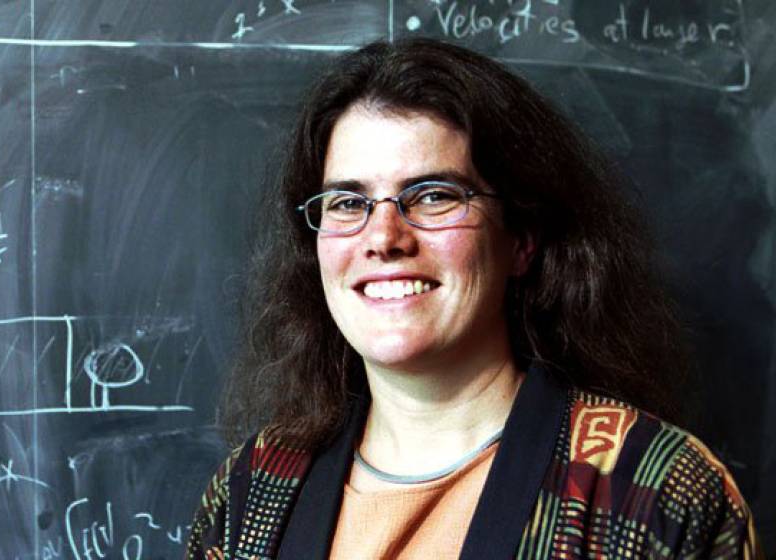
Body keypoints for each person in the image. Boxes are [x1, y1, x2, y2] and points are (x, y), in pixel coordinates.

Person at [185, 39, 763, 559]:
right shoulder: (253, 491)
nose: (383, 238)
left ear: (522, 241)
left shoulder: (653, 492)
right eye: (348, 203)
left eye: (433, 195)